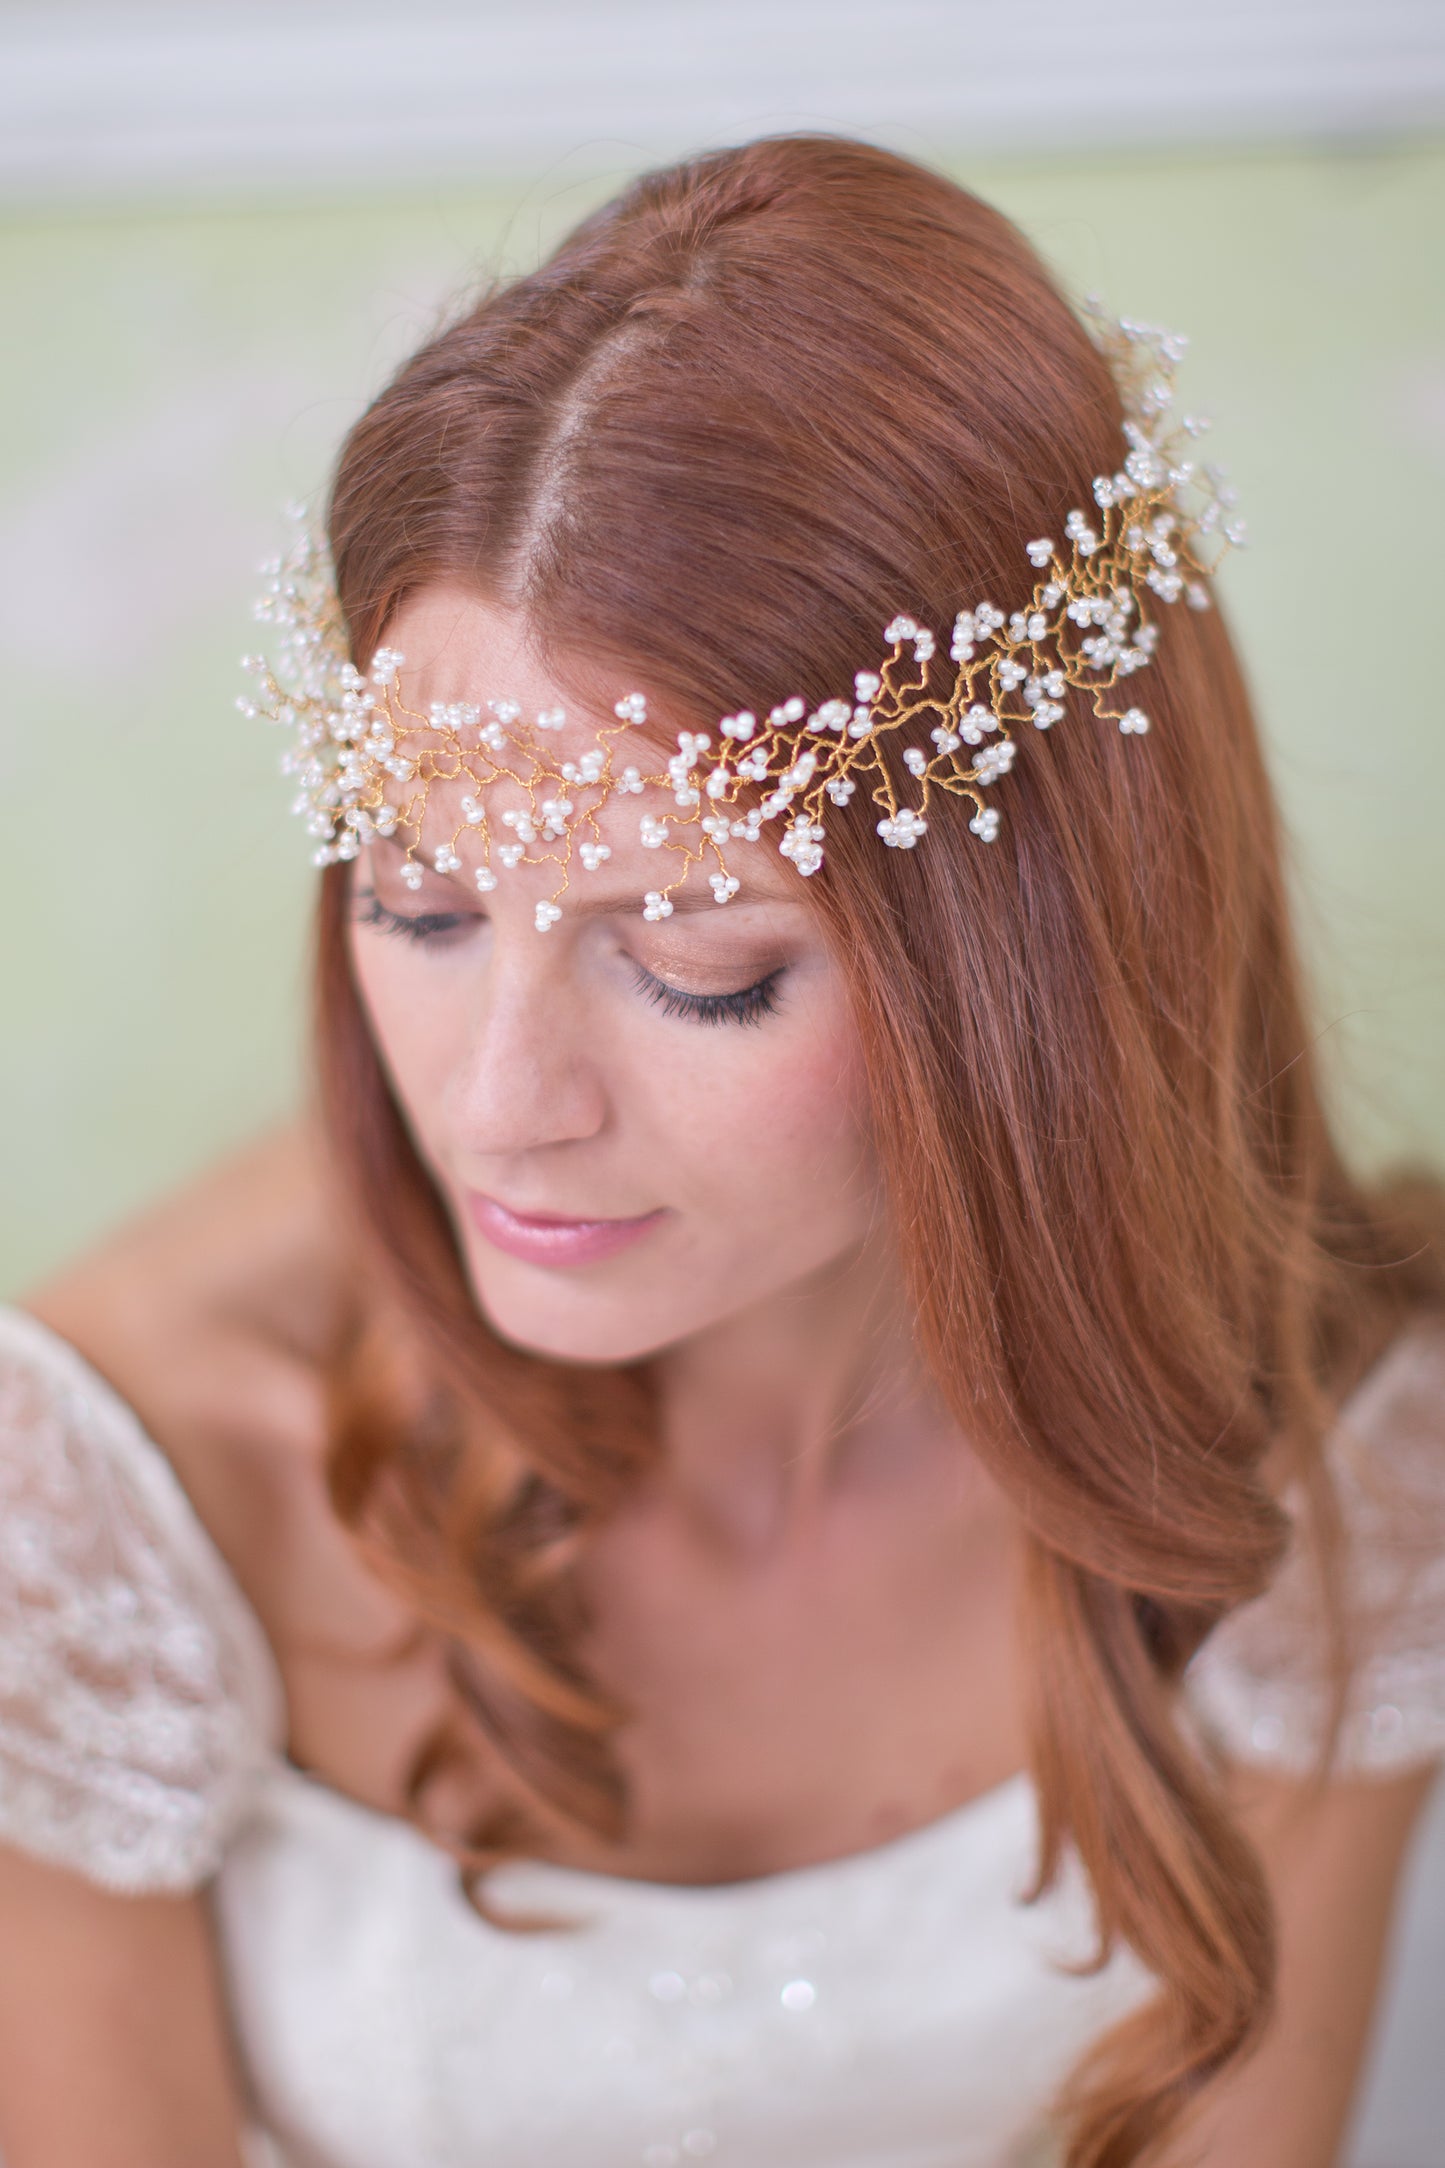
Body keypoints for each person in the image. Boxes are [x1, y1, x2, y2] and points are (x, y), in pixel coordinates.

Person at [0, 133, 1441, 2168]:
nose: (500, 1101)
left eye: (699, 964)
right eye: (419, 907)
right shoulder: (96, 1501)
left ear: (1023, 961)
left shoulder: (1341, 1457)